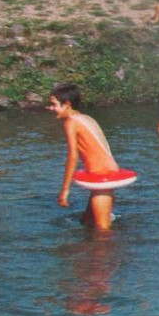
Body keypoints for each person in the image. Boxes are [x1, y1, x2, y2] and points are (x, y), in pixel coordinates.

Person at [48, 83, 121, 230]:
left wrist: (65, 190)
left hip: (102, 177)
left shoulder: (71, 122)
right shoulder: (85, 118)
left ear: (67, 104)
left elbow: (73, 156)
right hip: (107, 173)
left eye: (53, 104)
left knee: (102, 232)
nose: (50, 108)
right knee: (87, 222)